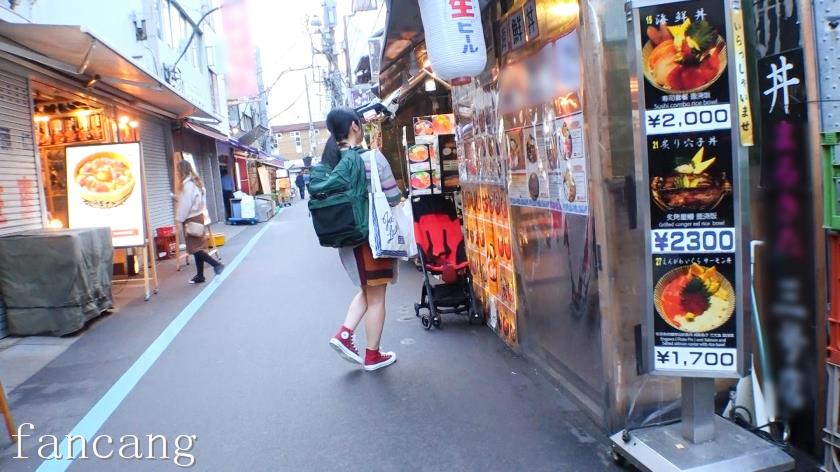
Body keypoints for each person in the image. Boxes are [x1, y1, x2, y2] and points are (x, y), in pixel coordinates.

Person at [325, 109, 402, 372]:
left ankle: (345, 334)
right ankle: (372, 355)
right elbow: (393, 197)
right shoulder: (371, 158)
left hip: (347, 240)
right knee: (377, 296)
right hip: (373, 238)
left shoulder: (331, 162)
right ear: (355, 126)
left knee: (368, 291)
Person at [175, 160, 225, 284]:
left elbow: (185, 205)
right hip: (199, 217)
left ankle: (217, 265)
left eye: (177, 171)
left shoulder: (187, 185)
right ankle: (200, 276)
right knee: (197, 247)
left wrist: (179, 220)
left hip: (191, 219)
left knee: (195, 249)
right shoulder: (196, 183)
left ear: (181, 171)